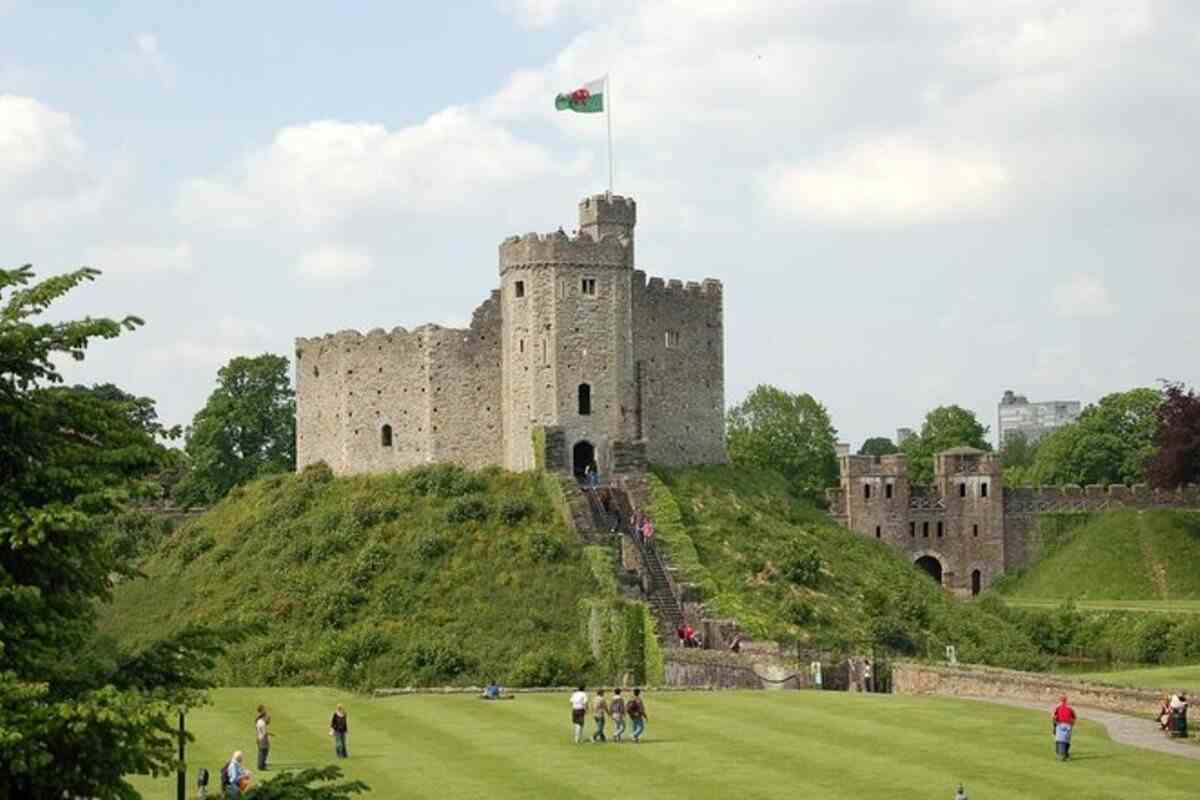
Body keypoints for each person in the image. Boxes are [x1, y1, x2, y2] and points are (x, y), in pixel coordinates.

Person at [1051, 695, 1076, 761]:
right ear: (1066, 700)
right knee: (1067, 741)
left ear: (1060, 700)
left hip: (1060, 724)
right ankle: (1065, 754)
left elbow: (1053, 717)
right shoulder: (1070, 708)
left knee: (1058, 740)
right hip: (1068, 725)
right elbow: (1074, 717)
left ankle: (1059, 754)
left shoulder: (1057, 707)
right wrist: (1072, 724)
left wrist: (1054, 725)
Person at [254, 705, 271, 771]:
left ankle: (261, 765)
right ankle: (261, 766)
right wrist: (269, 734)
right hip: (263, 739)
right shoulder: (262, 723)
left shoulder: (258, 721)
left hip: (259, 738)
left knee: (261, 753)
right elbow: (264, 733)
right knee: (264, 753)